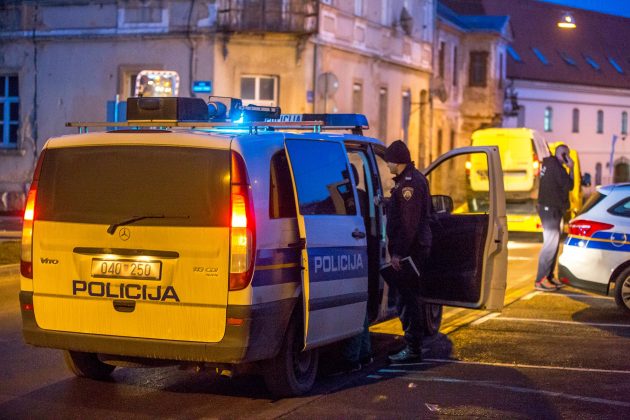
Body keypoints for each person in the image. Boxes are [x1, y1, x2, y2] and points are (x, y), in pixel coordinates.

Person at [383, 140, 433, 363]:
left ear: (397, 161)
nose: (387, 165)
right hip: (415, 248)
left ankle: (412, 347)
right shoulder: (413, 179)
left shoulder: (408, 186)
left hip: (411, 251)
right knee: (409, 297)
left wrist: (398, 253)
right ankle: (413, 344)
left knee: (408, 299)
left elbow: (408, 224)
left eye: (389, 161)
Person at [335, 164, 373, 374]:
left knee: (354, 307)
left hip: (352, 254)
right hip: (362, 254)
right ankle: (364, 353)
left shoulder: (349, 199)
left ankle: (351, 358)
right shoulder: (363, 197)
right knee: (361, 306)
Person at [535, 144, 574, 291]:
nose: (568, 157)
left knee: (554, 244)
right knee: (550, 244)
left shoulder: (549, 163)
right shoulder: (556, 167)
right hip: (550, 209)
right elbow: (569, 185)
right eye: (567, 155)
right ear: (563, 155)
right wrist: (572, 168)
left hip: (550, 208)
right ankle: (541, 280)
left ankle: (549, 277)